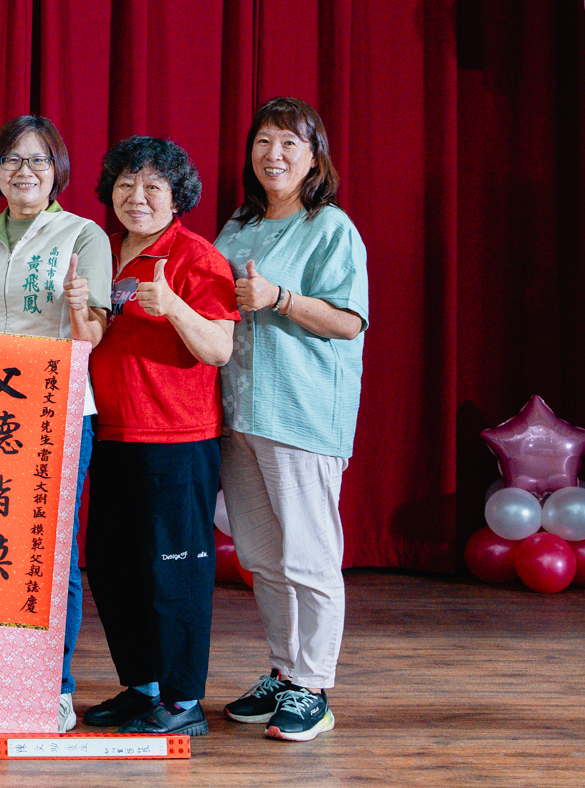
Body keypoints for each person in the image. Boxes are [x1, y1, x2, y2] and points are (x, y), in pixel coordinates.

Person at [213, 98, 368, 744]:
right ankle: (283, 671)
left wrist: (279, 297)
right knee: (262, 554)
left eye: (288, 143)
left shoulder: (330, 227)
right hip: (236, 411)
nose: (272, 154)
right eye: (262, 141)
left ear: (313, 156)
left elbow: (349, 321)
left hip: (299, 413)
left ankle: (314, 686)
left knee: (309, 555)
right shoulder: (239, 223)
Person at [0, 114, 110, 733]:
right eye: (12, 160)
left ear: (57, 170)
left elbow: (93, 335)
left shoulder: (83, 235)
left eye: (38, 160)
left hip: (56, 408)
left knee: (52, 551)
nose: (24, 171)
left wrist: (80, 308)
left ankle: (55, 684)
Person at [78, 137, 238, 739]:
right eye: (125, 184)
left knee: (174, 572)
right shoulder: (103, 251)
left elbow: (218, 348)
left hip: (177, 439)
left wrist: (173, 305)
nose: (137, 197)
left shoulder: (196, 257)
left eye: (153, 187)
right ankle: (142, 686)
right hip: (111, 433)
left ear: (177, 197)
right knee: (115, 567)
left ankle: (182, 699)